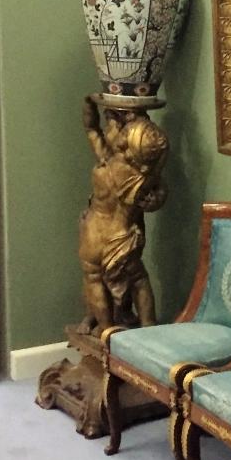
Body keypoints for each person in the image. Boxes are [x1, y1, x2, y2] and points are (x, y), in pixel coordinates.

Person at [77, 97, 168, 334]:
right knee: (138, 279)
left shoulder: (105, 164)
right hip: (121, 236)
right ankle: (148, 326)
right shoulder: (140, 178)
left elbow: (91, 128)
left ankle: (107, 330)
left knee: (93, 278)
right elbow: (158, 175)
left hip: (93, 233)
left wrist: (89, 103)